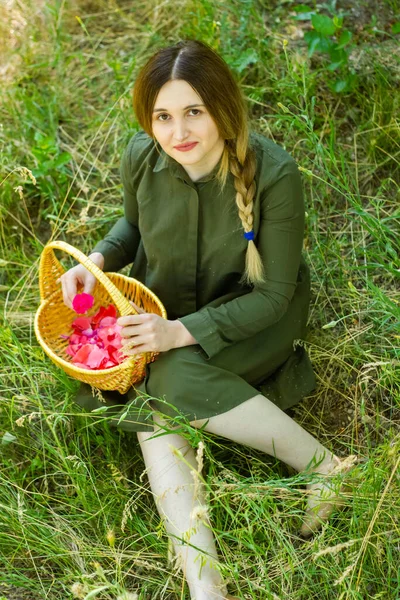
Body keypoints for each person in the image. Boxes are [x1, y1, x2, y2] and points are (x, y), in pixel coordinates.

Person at [59, 40, 351, 600]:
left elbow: (271, 297)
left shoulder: (274, 175)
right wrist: (95, 263)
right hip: (168, 308)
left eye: (194, 111)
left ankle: (323, 465)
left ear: (222, 106)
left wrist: (177, 334)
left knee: (163, 378)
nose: (178, 133)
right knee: (153, 389)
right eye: (162, 117)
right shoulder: (141, 157)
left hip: (256, 317)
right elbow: (133, 230)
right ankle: (206, 588)